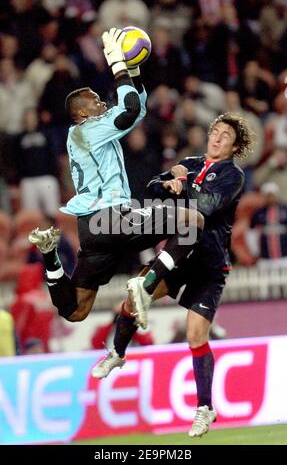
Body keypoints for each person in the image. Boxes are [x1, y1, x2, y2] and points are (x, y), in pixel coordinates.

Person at [28, 29, 204, 346]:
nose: (101, 103)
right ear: (82, 112)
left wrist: (132, 71)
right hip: (112, 217)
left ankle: (50, 256)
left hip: (94, 230)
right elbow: (130, 110)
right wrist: (117, 64)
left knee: (75, 310)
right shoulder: (86, 130)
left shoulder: (87, 133)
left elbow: (136, 108)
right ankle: (147, 282)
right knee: (193, 221)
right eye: (95, 101)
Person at [93, 112, 253, 438]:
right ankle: (118, 353)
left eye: (226, 136)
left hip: (208, 267)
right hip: (178, 260)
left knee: (196, 336)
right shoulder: (190, 163)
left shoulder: (232, 176)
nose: (218, 138)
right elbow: (152, 187)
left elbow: (206, 208)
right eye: (216, 132)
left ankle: (205, 408)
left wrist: (184, 186)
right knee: (133, 300)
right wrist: (168, 183)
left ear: (235, 147)